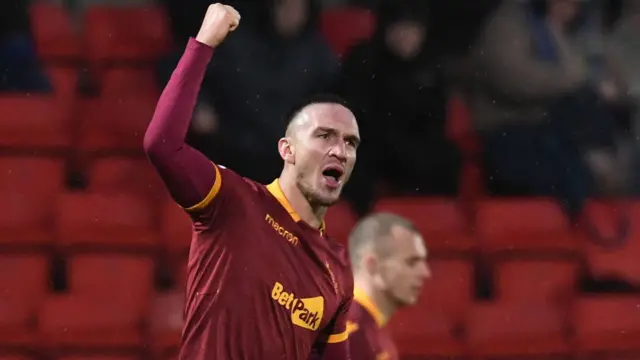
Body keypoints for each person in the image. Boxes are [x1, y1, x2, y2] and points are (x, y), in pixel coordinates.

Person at [143, 3, 359, 360]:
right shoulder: (231, 200)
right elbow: (162, 145)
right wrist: (203, 44)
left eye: (350, 142)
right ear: (287, 149)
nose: (339, 150)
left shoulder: (336, 270)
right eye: (324, 136)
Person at [346, 213, 430, 360]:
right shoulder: (349, 331)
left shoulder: (367, 327)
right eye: (411, 262)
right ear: (373, 266)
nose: (425, 273)